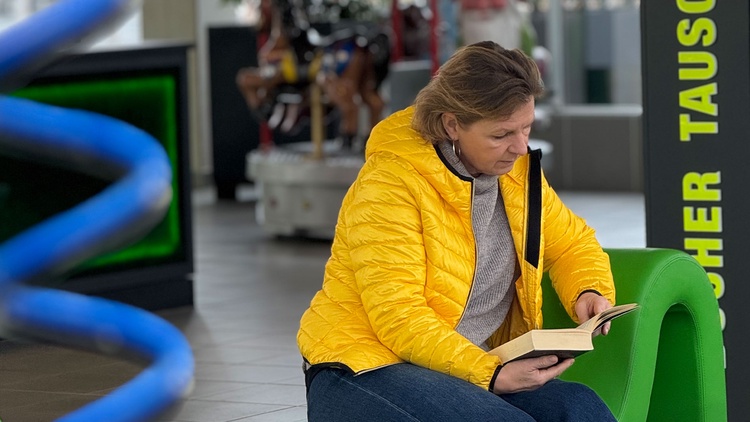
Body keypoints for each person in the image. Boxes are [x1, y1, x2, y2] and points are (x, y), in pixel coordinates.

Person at [297, 41, 617, 421]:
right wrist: (491, 373)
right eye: (501, 135)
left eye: (526, 127)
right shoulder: (389, 183)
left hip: (463, 364)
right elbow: (400, 317)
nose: (520, 147)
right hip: (366, 365)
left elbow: (571, 243)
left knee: (579, 408)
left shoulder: (515, 174)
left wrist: (589, 289)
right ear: (452, 125)